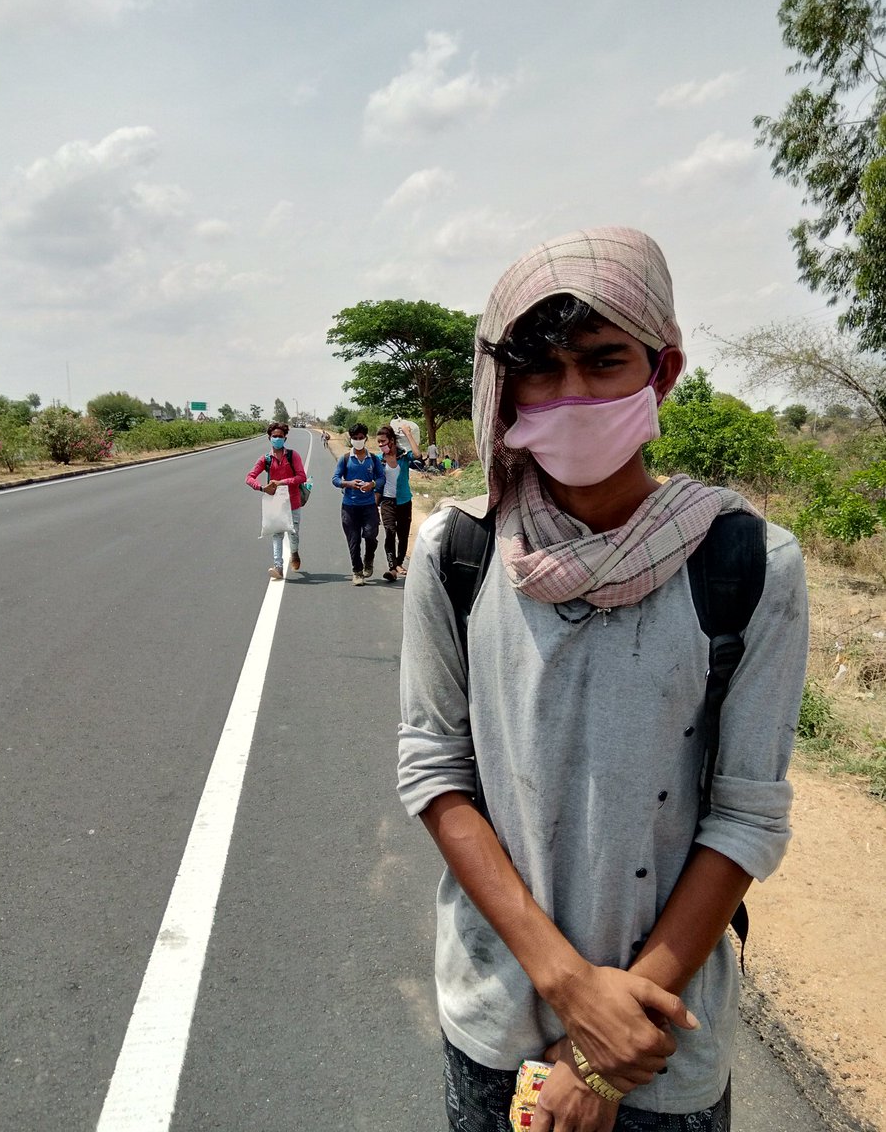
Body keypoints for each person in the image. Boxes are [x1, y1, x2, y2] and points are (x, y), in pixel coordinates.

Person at [397, 227, 808, 1132]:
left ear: (662, 372)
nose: (571, 393)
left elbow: (746, 812)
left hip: (660, 1040)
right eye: (539, 370)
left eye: (602, 360)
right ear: (503, 389)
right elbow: (435, 767)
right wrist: (568, 986)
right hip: (498, 1016)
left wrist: (603, 1048)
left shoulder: (749, 563)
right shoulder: (457, 553)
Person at [246, 421, 307, 579]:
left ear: (285, 438)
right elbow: (249, 477)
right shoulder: (265, 459)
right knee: (277, 534)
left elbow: (301, 477)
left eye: (280, 436)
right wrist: (261, 487)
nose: (277, 439)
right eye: (274, 436)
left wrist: (281, 482)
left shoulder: (293, 456)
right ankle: (278, 567)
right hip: (275, 502)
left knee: (293, 533)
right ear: (269, 438)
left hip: (293, 501)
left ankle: (294, 553)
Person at [332, 422, 385, 585]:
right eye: (355, 438)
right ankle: (357, 571)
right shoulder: (346, 459)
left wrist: (372, 485)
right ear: (351, 439)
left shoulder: (373, 459)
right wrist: (347, 483)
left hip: (369, 505)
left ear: (366, 438)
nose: (358, 440)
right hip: (349, 506)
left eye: (361, 438)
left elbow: (382, 478)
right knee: (353, 540)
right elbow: (335, 479)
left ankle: (369, 560)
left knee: (370, 536)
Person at [375, 422, 422, 581]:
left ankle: (399, 563)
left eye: (383, 441)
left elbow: (417, 455)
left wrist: (408, 434)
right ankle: (392, 567)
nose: (381, 445)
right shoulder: (378, 460)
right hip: (387, 502)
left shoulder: (403, 455)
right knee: (389, 532)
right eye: (379, 442)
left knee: (403, 535)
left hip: (404, 501)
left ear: (392, 441)